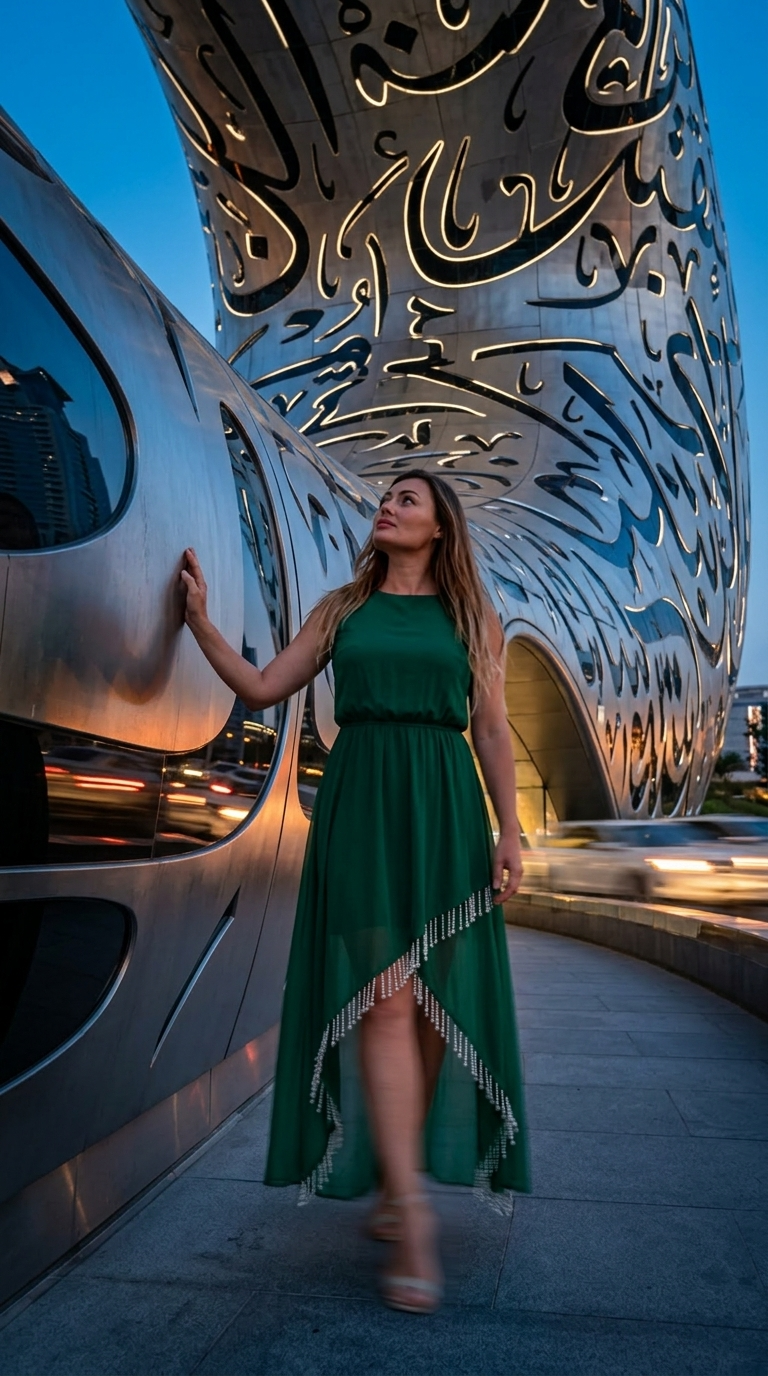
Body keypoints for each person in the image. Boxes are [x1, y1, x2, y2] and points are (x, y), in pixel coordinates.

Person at [181, 469, 530, 1315]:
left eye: (408, 500)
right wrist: (198, 623)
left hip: (445, 807)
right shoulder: (342, 609)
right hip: (363, 804)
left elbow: (488, 730)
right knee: (385, 1001)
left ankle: (394, 1163)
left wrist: (511, 830)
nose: (389, 505)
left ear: (440, 526)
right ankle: (408, 1211)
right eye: (386, 498)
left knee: (433, 1004)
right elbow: (264, 689)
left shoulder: (471, 617)